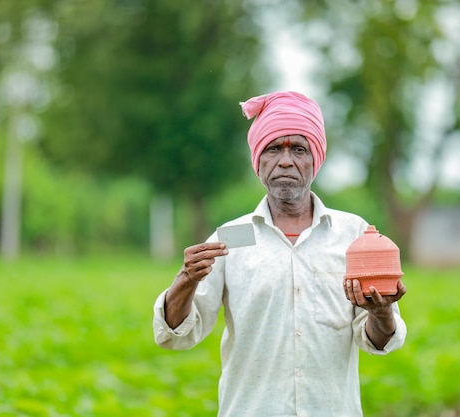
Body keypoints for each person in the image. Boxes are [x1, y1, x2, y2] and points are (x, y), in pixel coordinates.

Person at [153, 91, 407, 417]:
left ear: (316, 160)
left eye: (299, 149)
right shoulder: (231, 238)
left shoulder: (353, 235)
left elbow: (378, 339)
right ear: (258, 161)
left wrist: (382, 313)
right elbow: (177, 335)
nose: (285, 160)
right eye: (273, 148)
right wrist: (185, 280)